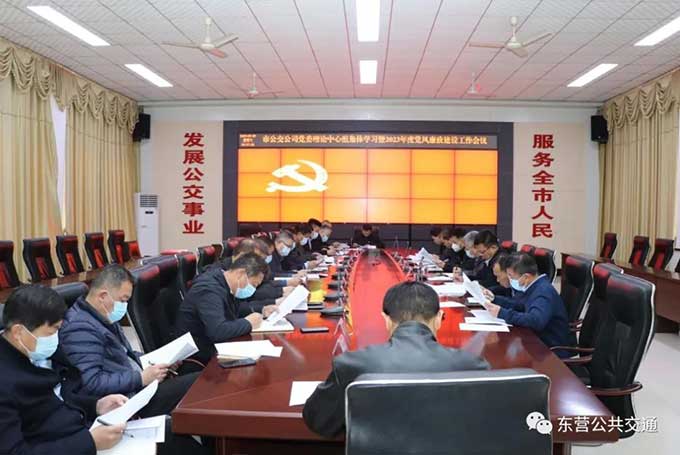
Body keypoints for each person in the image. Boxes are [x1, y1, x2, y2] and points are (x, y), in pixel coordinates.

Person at [0, 285, 208, 455]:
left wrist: (96, 405)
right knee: (169, 442)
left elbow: (64, 397)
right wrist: (90, 442)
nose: (56, 337)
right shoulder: (6, 381)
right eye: (51, 331)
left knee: (170, 433)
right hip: (75, 445)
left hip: (85, 428)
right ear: (18, 332)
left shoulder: (37, 352)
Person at [303, 281, 489, 438]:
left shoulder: (352, 365)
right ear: (439, 318)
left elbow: (319, 421)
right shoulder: (473, 367)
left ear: (386, 319)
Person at [59, 265, 200, 418]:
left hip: (137, 386)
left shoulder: (101, 314)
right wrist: (140, 378)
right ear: (102, 296)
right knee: (199, 383)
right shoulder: (79, 328)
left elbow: (125, 354)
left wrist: (158, 362)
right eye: (123, 300)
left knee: (198, 380)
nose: (124, 306)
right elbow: (91, 382)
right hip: (127, 402)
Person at [176, 253, 272, 366]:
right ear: (240, 273)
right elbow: (218, 331)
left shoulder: (225, 284)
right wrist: (248, 323)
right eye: (254, 285)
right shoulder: (209, 290)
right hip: (199, 359)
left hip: (214, 349)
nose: (253, 289)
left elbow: (235, 309)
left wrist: (262, 309)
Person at [482, 254, 573, 357]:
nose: (509, 279)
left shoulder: (543, 292)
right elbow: (520, 305)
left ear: (526, 277)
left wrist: (502, 313)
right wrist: (495, 299)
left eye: (511, 276)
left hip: (549, 351)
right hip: (535, 342)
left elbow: (535, 321)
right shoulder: (533, 286)